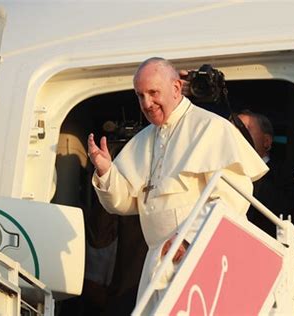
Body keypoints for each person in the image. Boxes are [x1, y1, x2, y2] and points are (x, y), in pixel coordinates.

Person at [87, 57, 268, 311]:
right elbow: (125, 202)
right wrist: (106, 172)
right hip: (158, 261)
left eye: (153, 93)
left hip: (202, 255)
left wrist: (187, 239)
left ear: (175, 88)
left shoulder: (210, 127)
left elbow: (232, 198)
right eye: (140, 95)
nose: (146, 104)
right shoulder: (143, 140)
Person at [236, 110, 294, 237]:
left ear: (266, 141)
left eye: (245, 128)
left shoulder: (285, 175)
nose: (237, 133)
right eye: (233, 128)